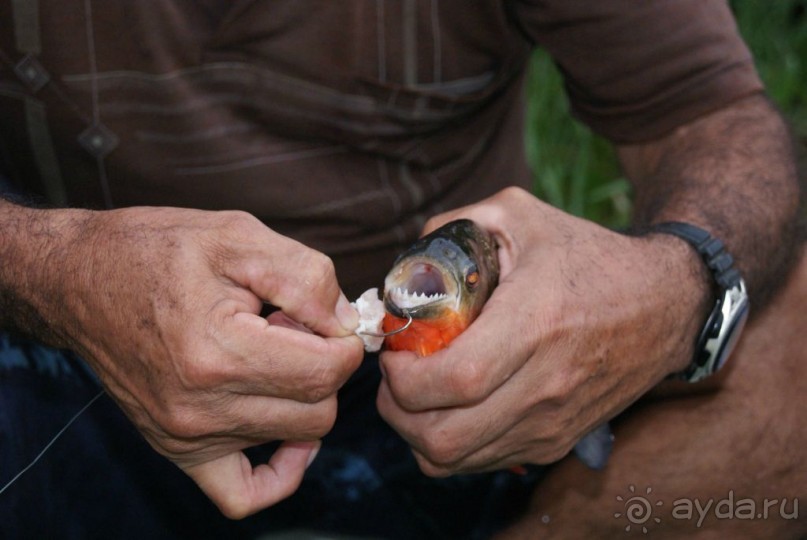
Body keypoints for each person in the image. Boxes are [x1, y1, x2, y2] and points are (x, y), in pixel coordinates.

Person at [0, 1, 803, 538]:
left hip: (471, 373)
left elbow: (718, 118)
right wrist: (54, 274)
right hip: (65, 344)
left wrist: (667, 294)